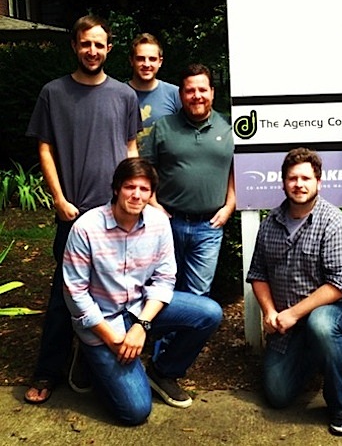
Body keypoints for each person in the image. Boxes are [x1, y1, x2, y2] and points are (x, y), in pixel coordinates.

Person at [24, 15, 141, 405]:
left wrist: (142, 197)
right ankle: (48, 370)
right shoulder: (53, 94)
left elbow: (130, 149)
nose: (92, 51)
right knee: (64, 296)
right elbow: (45, 148)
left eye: (99, 44)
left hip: (117, 214)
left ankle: (103, 359)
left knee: (122, 290)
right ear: (74, 46)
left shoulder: (124, 95)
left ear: (109, 49)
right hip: (73, 215)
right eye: (85, 44)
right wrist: (58, 199)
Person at [62, 157, 222, 425]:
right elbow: (75, 293)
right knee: (135, 412)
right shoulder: (86, 227)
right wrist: (112, 340)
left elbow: (165, 278)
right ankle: (91, 359)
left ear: (151, 194)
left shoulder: (159, 223)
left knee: (209, 313)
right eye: (129, 187)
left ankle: (163, 371)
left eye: (144, 189)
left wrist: (140, 326)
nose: (136, 195)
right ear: (116, 189)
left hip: (138, 309)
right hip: (101, 322)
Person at [246, 148, 342, 436]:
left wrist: (293, 314)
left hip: (334, 310)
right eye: (293, 178)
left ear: (318, 182)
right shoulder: (270, 224)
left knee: (320, 325)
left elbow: (340, 285)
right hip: (288, 318)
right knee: (277, 395)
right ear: (283, 182)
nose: (299, 184)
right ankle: (317, 353)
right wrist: (270, 312)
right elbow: (258, 274)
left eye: (306, 178)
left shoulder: (334, 224)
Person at [147, 63, 235, 296]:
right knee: (164, 289)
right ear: (181, 94)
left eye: (202, 90)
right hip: (168, 223)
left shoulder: (229, 127)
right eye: (190, 91)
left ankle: (189, 334)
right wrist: (154, 205)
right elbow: (144, 169)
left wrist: (230, 205)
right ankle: (164, 334)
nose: (197, 96)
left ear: (212, 93)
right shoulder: (163, 127)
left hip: (209, 226)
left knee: (198, 294)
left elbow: (237, 169)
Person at [127, 33, 181, 156]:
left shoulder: (175, 94)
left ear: (160, 62)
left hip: (166, 171)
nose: (146, 64)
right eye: (140, 58)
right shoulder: (119, 95)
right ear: (131, 60)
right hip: (130, 170)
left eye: (152, 59)